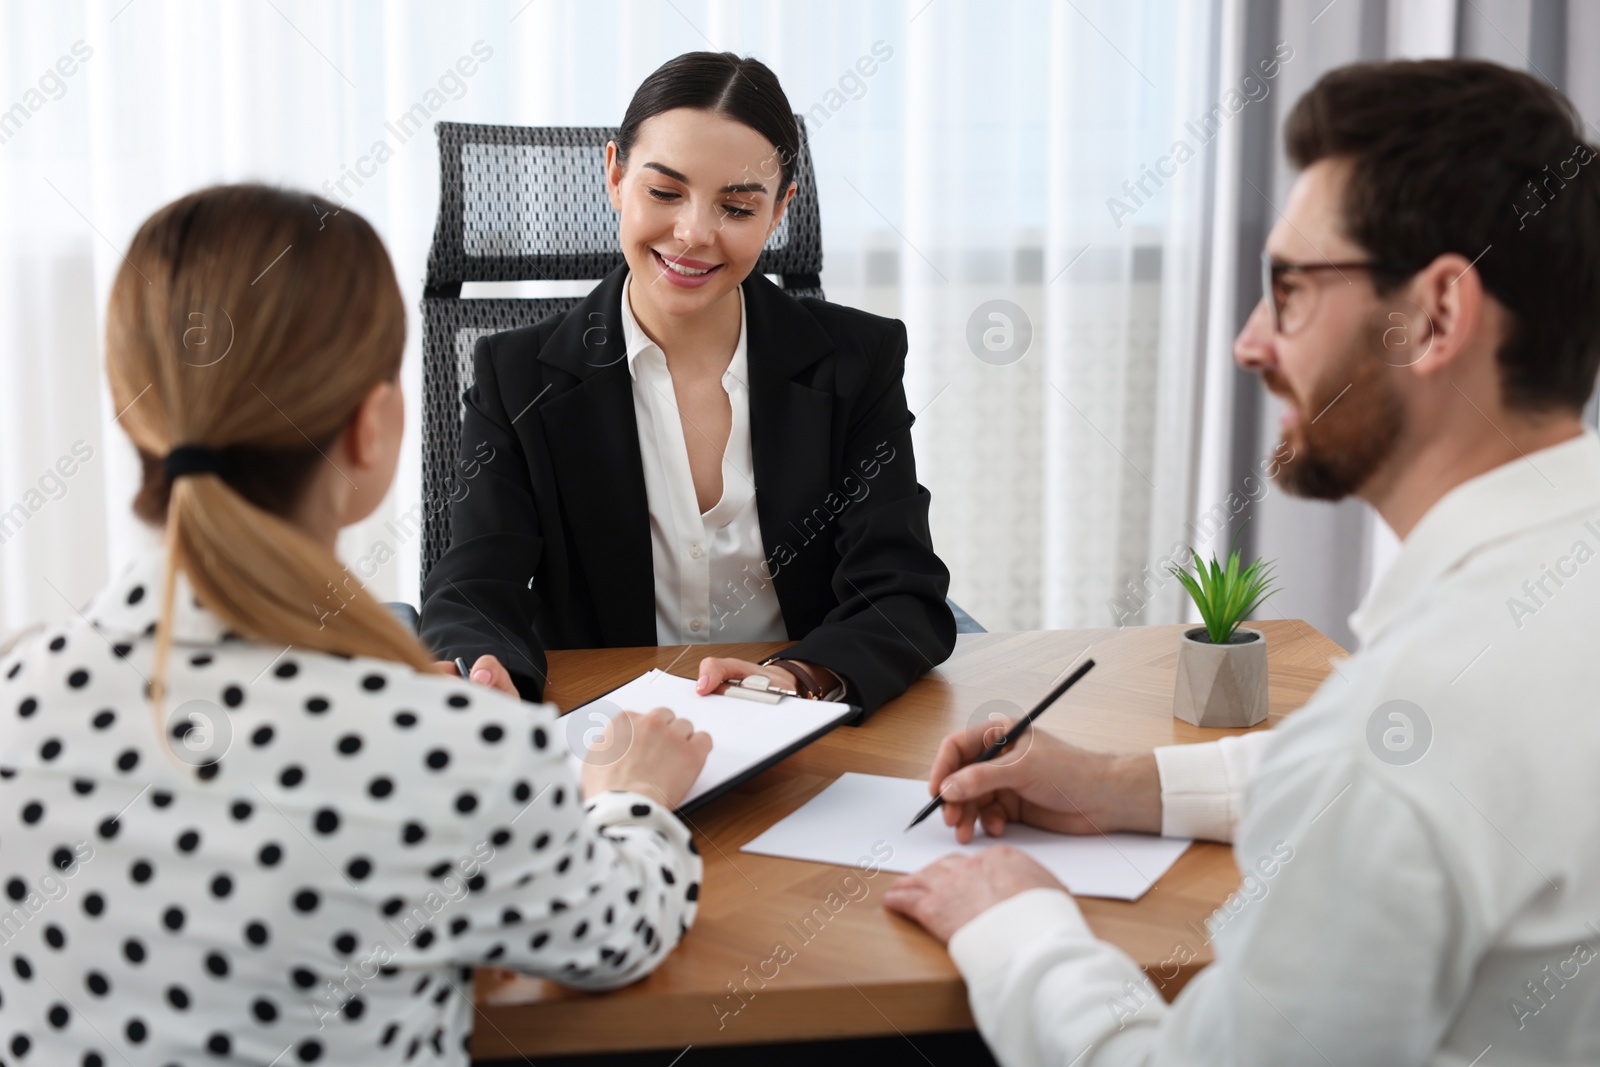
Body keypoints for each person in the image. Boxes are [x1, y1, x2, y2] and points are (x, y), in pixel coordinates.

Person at [885, 59, 1600, 1064]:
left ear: (1436, 315)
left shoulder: (1388, 743)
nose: (1250, 343)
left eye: (1290, 288)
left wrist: (1019, 921)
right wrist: (1118, 783)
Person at [0, 185, 712, 1065]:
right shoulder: (451, 751)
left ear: (133, 411)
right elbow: (617, 933)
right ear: (373, 427)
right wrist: (631, 799)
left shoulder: (14, 697)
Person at [419, 52, 955, 718]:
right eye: (665, 192)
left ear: (780, 210)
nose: (694, 234)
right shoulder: (518, 376)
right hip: (606, 731)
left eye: (735, 206)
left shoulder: (856, 360)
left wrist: (797, 676)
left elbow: (901, 592)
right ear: (614, 175)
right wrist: (485, 670)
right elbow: (472, 588)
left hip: (787, 723)